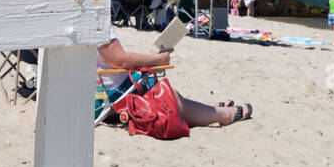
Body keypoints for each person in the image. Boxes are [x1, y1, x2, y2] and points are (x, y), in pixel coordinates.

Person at [96, 35, 252, 127]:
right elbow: (120, 61)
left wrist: (152, 59)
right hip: (111, 95)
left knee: (170, 94)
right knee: (171, 100)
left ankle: (206, 108)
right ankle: (223, 115)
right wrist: (158, 59)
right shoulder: (96, 20)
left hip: (94, 89)